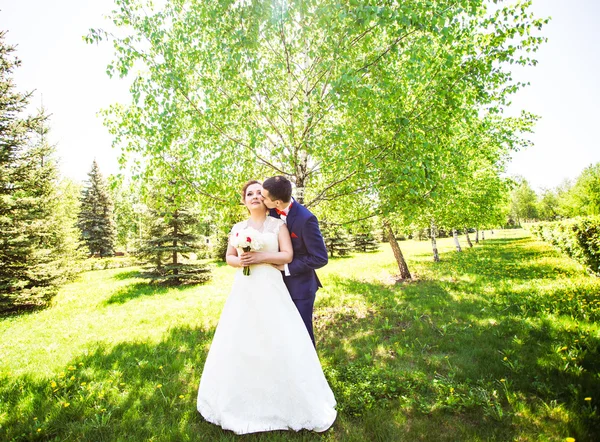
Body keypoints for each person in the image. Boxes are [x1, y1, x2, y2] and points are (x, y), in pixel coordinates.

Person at [196, 180, 336, 435]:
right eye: (249, 194)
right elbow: (229, 256)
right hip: (244, 288)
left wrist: (260, 257)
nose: (255, 196)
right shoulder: (238, 228)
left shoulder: (278, 224)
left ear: (269, 199)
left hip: (273, 286)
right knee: (243, 337)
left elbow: (288, 256)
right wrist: (240, 261)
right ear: (244, 200)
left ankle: (298, 389)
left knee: (285, 336)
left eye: (260, 193)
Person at [259, 176, 328, 347]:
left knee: (302, 334)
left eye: (264, 197)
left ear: (277, 202)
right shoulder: (271, 212)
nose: (261, 198)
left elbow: (320, 257)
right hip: (274, 285)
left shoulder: (306, 219)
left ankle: (310, 373)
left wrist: (287, 267)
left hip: (301, 288)